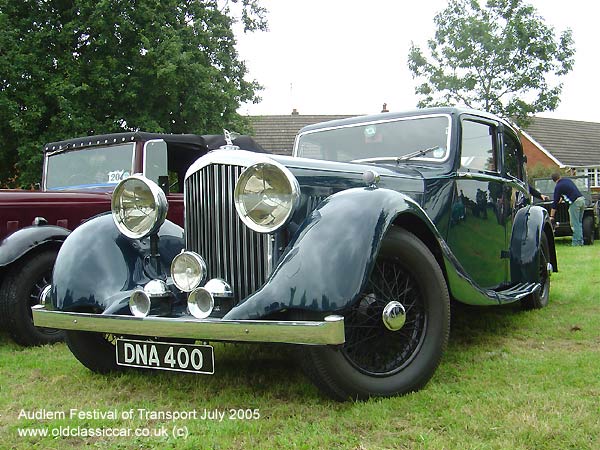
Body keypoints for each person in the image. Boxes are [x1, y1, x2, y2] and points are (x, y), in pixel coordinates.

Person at [550, 172, 585, 246]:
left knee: (574, 224)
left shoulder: (558, 186)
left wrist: (552, 215)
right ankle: (580, 241)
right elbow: (568, 192)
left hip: (575, 203)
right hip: (582, 200)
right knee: (579, 223)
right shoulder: (568, 181)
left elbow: (555, 201)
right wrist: (562, 198)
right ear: (560, 176)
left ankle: (576, 243)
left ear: (554, 180)